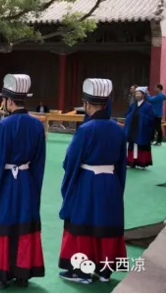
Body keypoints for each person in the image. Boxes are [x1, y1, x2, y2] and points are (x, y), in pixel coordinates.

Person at [0, 74, 45, 289]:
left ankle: (0, 273)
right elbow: (39, 161)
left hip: (7, 181)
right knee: (24, 223)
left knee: (2, 222)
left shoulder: (5, 125)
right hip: (26, 181)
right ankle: (23, 273)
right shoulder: (36, 124)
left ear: (8, 100)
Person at [59, 79, 127, 284]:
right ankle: (105, 271)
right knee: (107, 223)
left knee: (83, 223)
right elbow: (122, 163)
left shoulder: (86, 129)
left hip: (88, 182)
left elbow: (71, 160)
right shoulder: (118, 129)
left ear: (87, 104)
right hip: (111, 182)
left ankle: (82, 272)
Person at [124, 87, 154, 168]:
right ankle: (131, 162)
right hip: (132, 129)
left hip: (142, 129)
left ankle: (142, 162)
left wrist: (141, 116)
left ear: (143, 95)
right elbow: (127, 115)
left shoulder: (148, 106)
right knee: (131, 144)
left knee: (141, 145)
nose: (137, 95)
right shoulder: (132, 105)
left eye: (139, 94)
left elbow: (151, 118)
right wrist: (131, 116)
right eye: (136, 94)